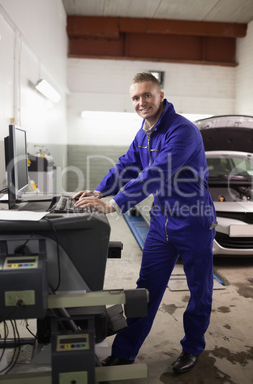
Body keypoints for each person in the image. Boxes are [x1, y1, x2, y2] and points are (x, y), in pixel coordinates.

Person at [72, 72, 217, 374]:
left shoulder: (183, 131)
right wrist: (99, 190)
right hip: (162, 222)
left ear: (161, 95)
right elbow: (127, 165)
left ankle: (192, 348)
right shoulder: (144, 132)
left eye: (147, 95)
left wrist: (114, 204)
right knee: (145, 291)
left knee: (199, 290)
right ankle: (124, 352)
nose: (141, 102)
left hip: (193, 222)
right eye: (136, 98)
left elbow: (155, 174)